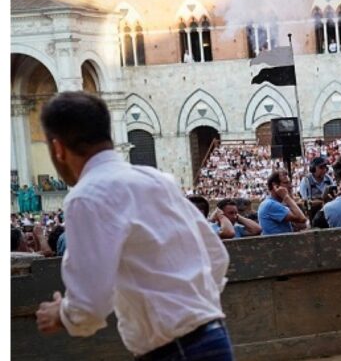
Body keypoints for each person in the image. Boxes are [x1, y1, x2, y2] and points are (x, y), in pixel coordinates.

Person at [34, 91, 233, 359]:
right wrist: (190, 305)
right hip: (213, 337)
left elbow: (90, 304)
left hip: (174, 350)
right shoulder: (156, 179)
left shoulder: (86, 197)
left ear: (58, 148)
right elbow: (216, 256)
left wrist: (62, 314)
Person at [258, 170, 308, 235]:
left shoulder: (277, 203)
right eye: (286, 183)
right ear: (275, 186)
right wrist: (287, 197)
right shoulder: (271, 204)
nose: (290, 186)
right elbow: (302, 219)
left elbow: (302, 225)